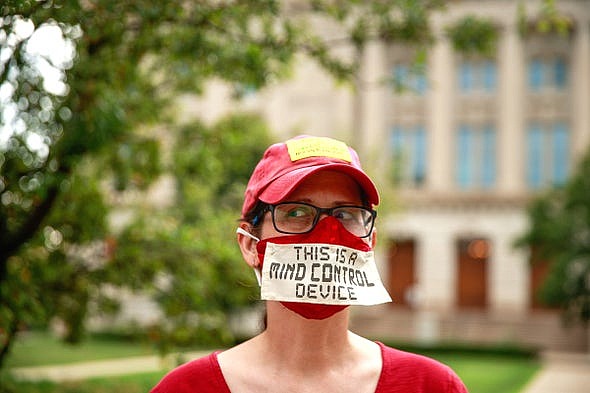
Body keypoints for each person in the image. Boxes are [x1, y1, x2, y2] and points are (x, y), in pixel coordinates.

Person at [151, 135, 468, 393]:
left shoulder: (432, 386)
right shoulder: (185, 388)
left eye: (345, 214)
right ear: (250, 244)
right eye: (296, 212)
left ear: (369, 242)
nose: (326, 234)